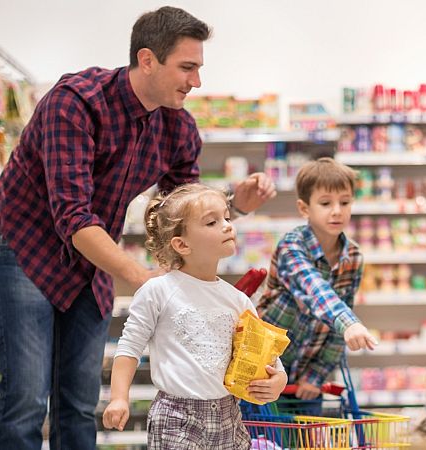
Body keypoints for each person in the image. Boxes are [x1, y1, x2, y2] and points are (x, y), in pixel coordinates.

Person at [0, 6, 275, 449]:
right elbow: (74, 218)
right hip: (26, 249)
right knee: (26, 396)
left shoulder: (178, 127)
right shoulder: (75, 103)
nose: (196, 81)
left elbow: (182, 213)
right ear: (147, 60)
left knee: (79, 401)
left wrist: (236, 205)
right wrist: (144, 279)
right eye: (187, 67)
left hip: (92, 258)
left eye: (199, 68)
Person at [101, 184, 287, 449]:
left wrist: (278, 381)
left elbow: (267, 357)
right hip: (177, 417)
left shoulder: (238, 300)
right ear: (181, 244)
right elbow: (130, 346)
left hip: (229, 416)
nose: (226, 226)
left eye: (227, 217)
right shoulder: (158, 291)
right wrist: (119, 397)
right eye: (212, 222)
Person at [257, 157, 378, 402]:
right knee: (266, 440)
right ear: (304, 208)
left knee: (308, 440)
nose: (337, 211)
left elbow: (336, 333)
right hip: (265, 366)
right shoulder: (292, 245)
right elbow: (315, 289)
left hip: (307, 378)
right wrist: (350, 324)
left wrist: (316, 376)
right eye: (325, 203)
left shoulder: (352, 256)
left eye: (345, 202)